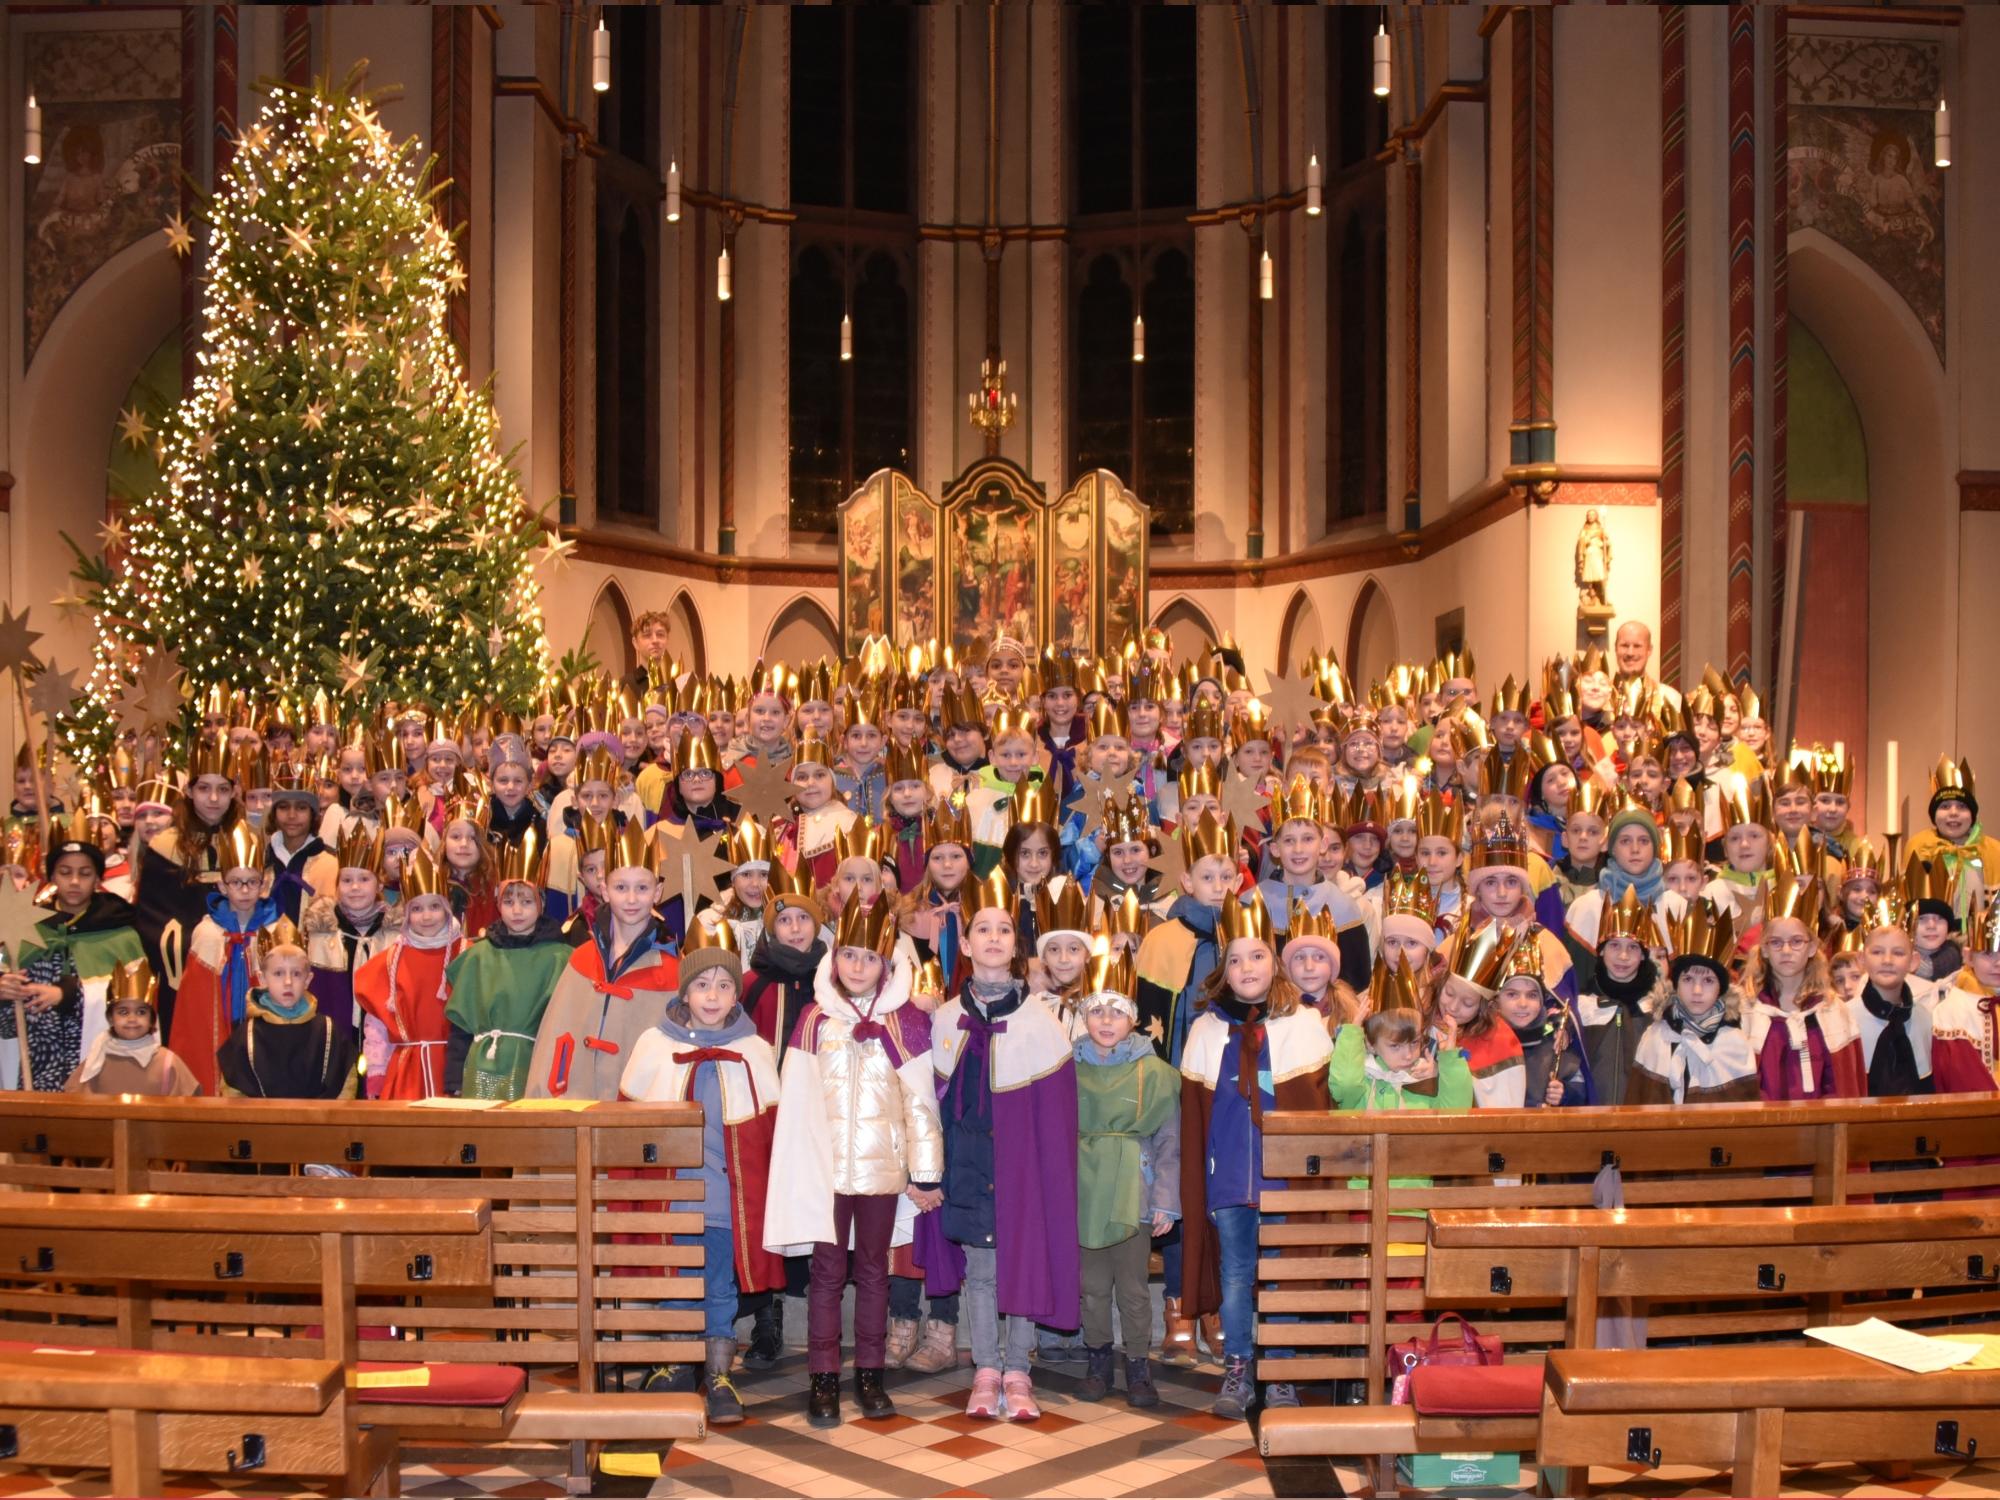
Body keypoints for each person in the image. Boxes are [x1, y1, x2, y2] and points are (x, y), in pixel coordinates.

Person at [764, 897, 941, 1429]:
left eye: (869, 957)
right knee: (825, 1274)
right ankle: (822, 1376)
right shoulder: (816, 1020)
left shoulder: (905, 1021)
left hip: (882, 1172)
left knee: (873, 1273)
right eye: (849, 956)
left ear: (886, 964)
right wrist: (795, 1165)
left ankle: (869, 1374)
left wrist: (925, 1170)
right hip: (826, 1172)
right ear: (834, 958)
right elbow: (796, 1098)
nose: (858, 967)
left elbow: (920, 1101)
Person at [929, 874, 1080, 1423]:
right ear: (965, 944)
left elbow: (1059, 1118)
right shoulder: (944, 1019)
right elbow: (934, 1108)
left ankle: (1018, 1369)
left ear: (1016, 946)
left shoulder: (1043, 1021)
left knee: (1025, 1264)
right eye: (982, 929)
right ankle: (986, 1369)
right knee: (983, 1271)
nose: (993, 938)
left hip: (1024, 1173)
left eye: (1004, 930)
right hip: (969, 1170)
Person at [621, 922, 783, 1425]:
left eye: (724, 985)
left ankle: (718, 1375)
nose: (712, 996)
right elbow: (627, 1131)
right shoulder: (653, 1044)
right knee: (675, 1281)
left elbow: (765, 1138)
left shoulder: (755, 1050)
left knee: (718, 1288)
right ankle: (673, 1364)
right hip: (670, 1198)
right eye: (701, 985)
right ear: (684, 991)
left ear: (737, 993)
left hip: (722, 1201)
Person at [1180, 891, 1332, 1420]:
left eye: (1258, 956)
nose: (1247, 968)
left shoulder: (1304, 1024)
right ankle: (1240, 1365)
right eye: (1236, 959)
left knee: (1283, 1272)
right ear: (1223, 968)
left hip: (1285, 1179)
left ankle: (1284, 1371)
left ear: (1276, 960)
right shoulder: (1205, 1028)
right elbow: (1195, 1118)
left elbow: (1319, 1110)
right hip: (1228, 1182)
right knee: (1238, 1274)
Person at [1072, 948, 1180, 1409]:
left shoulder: (1154, 1073)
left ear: (1133, 1019)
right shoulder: (1067, 1070)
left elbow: (1169, 1142)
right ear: (1083, 1017)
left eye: (1117, 1010)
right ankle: (1098, 1357)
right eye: (1096, 1009)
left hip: (1134, 1191)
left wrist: (1165, 1201)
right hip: (1085, 1191)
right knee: (1092, 1287)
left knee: (1133, 1288)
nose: (1107, 1019)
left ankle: (1138, 1362)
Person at [526, 820, 678, 1100]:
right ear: (604, 890)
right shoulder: (581, 958)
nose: (631, 898)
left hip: (636, 1111)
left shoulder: (672, 970)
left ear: (657, 893)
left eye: (642, 888)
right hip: (574, 1100)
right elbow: (553, 1039)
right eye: (621, 887)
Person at [2, 818, 145, 1092]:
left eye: (85, 873)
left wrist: (71, 994)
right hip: (35, 1063)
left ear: (98, 878)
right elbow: (7, 1013)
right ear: (51, 877)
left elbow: (137, 1003)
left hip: (100, 1062)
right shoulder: (23, 929)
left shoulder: (121, 933)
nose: (75, 881)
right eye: (65, 872)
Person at [443, 832, 572, 1100]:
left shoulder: (561, 958)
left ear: (541, 904)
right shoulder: (478, 956)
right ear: (497, 904)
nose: (517, 911)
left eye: (526, 902)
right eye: (508, 902)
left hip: (535, 1064)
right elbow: (461, 1028)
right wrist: (454, 1080)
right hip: (482, 1065)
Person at [166, 822, 276, 1096]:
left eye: (252, 882)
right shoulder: (207, 932)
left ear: (264, 884)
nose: (245, 890)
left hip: (259, 1033)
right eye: (236, 882)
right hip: (218, 1029)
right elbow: (194, 1004)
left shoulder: (275, 930)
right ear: (221, 885)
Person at [353, 846, 465, 1100]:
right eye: (416, 909)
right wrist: (377, 1075)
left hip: (455, 1072)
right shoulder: (389, 962)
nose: (426, 916)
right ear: (406, 914)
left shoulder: (468, 955)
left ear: (447, 910)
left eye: (435, 906)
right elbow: (377, 1029)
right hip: (405, 1073)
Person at [1743, 869, 1866, 1099]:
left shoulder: (1832, 1010)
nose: (1786, 951)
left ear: (1811, 948)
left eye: (1797, 941)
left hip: (1822, 1128)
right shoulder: (1748, 1011)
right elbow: (1744, 1088)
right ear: (1765, 950)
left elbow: (1844, 1084)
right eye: (1776, 942)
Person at [1625, 898, 1760, 1105]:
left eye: (1708, 980)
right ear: (1675, 985)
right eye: (1687, 980)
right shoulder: (1655, 1036)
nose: (1697, 991)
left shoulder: (1735, 1041)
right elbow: (1636, 1107)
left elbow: (1743, 1121)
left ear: (1721, 989)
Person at [215, 917, 360, 1099]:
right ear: (262, 979)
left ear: (308, 980)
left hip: (319, 1126)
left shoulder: (328, 1032)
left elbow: (345, 1090)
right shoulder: (246, 1037)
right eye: (278, 973)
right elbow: (233, 1095)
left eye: (297, 974)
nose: (288, 982)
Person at [1574, 888, 1666, 1105]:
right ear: (1601, 951)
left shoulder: (1657, 1009)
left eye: (1633, 948)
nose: (1623, 956)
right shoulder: (1583, 1006)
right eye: (1614, 945)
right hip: (1592, 1121)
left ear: (1644, 955)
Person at [64, 958, 199, 1095]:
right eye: (123, 1012)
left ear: (152, 1019)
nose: (132, 1019)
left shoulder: (168, 1063)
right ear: (111, 1018)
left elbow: (187, 1109)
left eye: (141, 1012)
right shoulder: (96, 1060)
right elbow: (76, 1103)